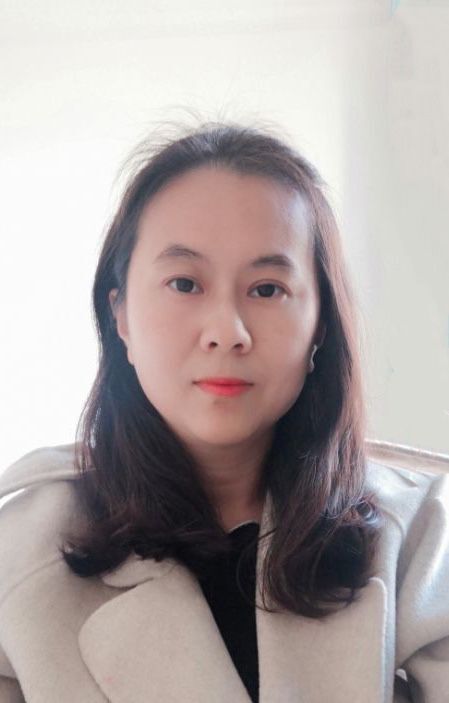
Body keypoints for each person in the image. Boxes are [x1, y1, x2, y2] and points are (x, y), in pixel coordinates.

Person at [0, 121, 448, 703]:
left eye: (267, 289)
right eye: (185, 283)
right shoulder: (18, 554)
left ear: (320, 326)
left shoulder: (423, 542)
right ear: (121, 316)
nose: (227, 331)